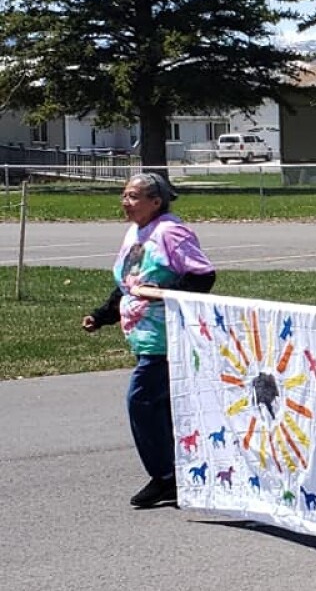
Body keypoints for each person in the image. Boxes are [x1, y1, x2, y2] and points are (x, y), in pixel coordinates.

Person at [81, 172, 216, 508]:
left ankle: (166, 478)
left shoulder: (172, 232)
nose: (125, 202)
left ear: (156, 202)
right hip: (145, 338)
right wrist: (102, 315)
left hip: (168, 339)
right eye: (124, 195)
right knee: (164, 408)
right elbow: (131, 282)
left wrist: (164, 295)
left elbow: (203, 276)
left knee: (141, 402)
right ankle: (186, 472)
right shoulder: (137, 232)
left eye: (132, 196)